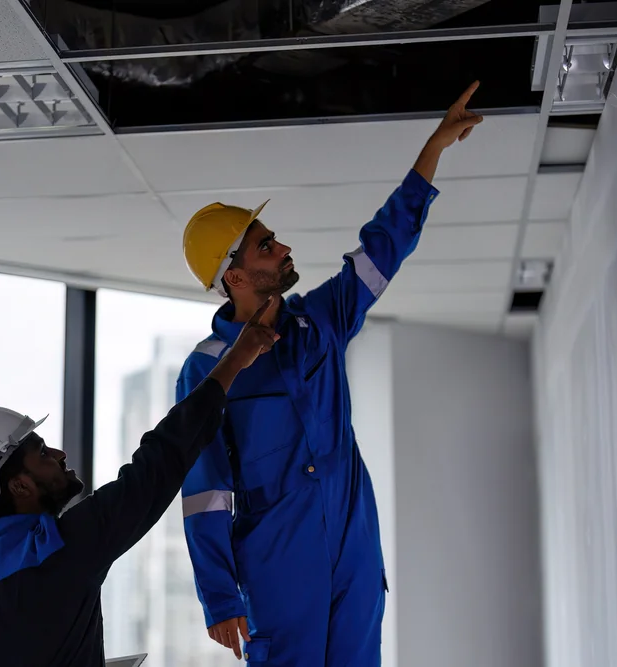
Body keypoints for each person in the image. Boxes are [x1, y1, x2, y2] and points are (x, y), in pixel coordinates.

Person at [177, 82, 484, 666]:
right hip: (277, 567)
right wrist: (218, 595)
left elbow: (383, 246)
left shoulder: (321, 320)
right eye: (265, 246)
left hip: (355, 555)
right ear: (234, 276)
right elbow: (206, 491)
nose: (282, 247)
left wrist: (433, 150)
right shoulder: (205, 370)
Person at [0, 297, 282, 667]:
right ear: (19, 486)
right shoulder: (61, 549)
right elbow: (160, 461)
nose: (60, 455)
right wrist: (234, 361)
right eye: (43, 453)